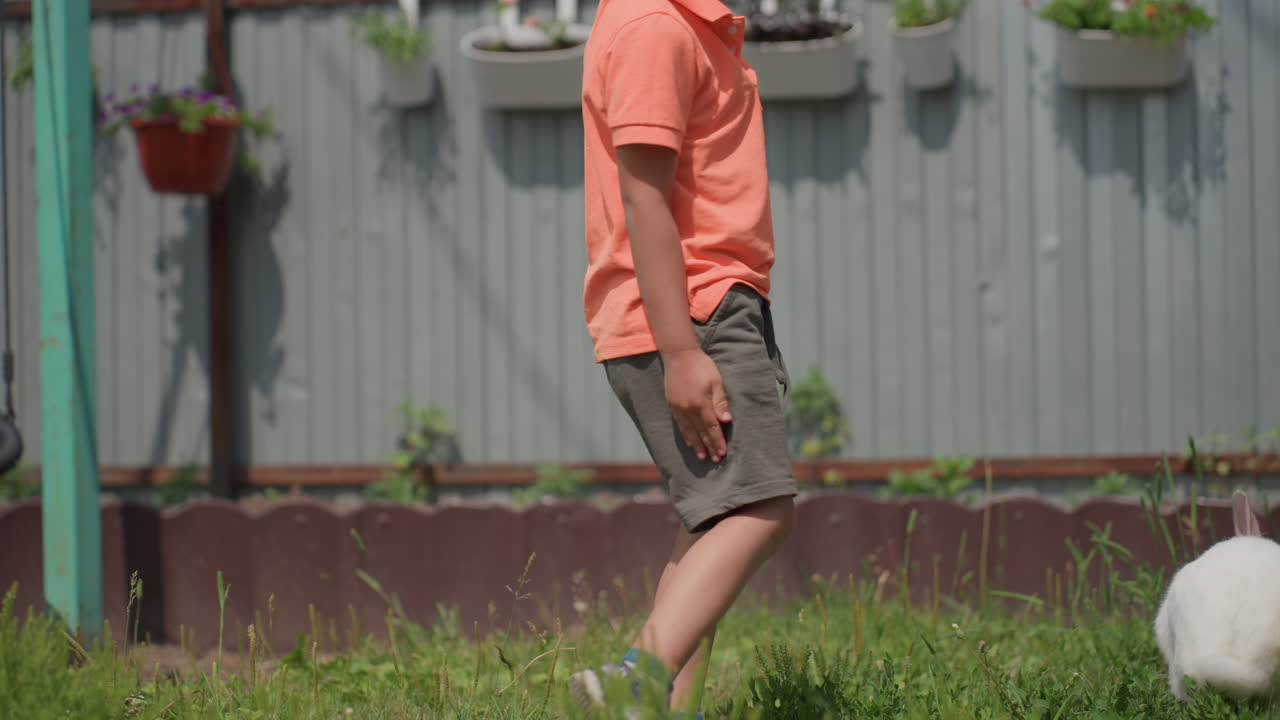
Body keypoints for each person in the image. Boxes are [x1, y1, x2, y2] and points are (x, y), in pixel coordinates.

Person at [570, 0, 796, 715]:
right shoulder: (655, 28)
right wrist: (680, 351)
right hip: (693, 313)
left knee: (711, 523)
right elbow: (644, 200)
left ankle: (662, 706)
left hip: (700, 309)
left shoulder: (681, 26)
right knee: (760, 508)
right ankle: (635, 678)